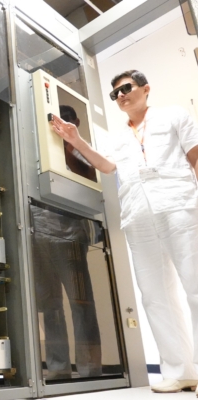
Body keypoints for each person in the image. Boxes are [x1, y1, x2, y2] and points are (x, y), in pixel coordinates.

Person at [50, 69, 198, 394]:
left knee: (195, 285)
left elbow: (195, 156)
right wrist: (76, 140)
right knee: (154, 297)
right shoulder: (116, 137)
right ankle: (180, 371)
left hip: (179, 205)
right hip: (138, 216)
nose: (120, 95)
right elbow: (106, 166)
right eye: (114, 93)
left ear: (146, 89)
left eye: (126, 88)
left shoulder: (174, 116)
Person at [31, 202, 102, 380]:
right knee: (49, 307)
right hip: (35, 236)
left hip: (67, 233)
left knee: (81, 303)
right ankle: (59, 368)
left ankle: (89, 368)